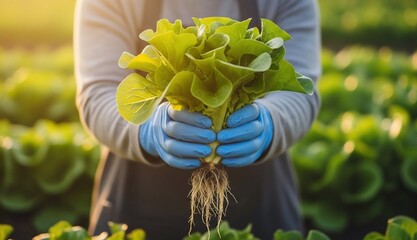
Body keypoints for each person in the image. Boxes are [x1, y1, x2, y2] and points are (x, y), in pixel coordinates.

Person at [73, 0, 321, 239]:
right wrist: (146, 130)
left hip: (261, 205)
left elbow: (300, 89)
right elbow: (99, 94)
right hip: (136, 203)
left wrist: (271, 124)